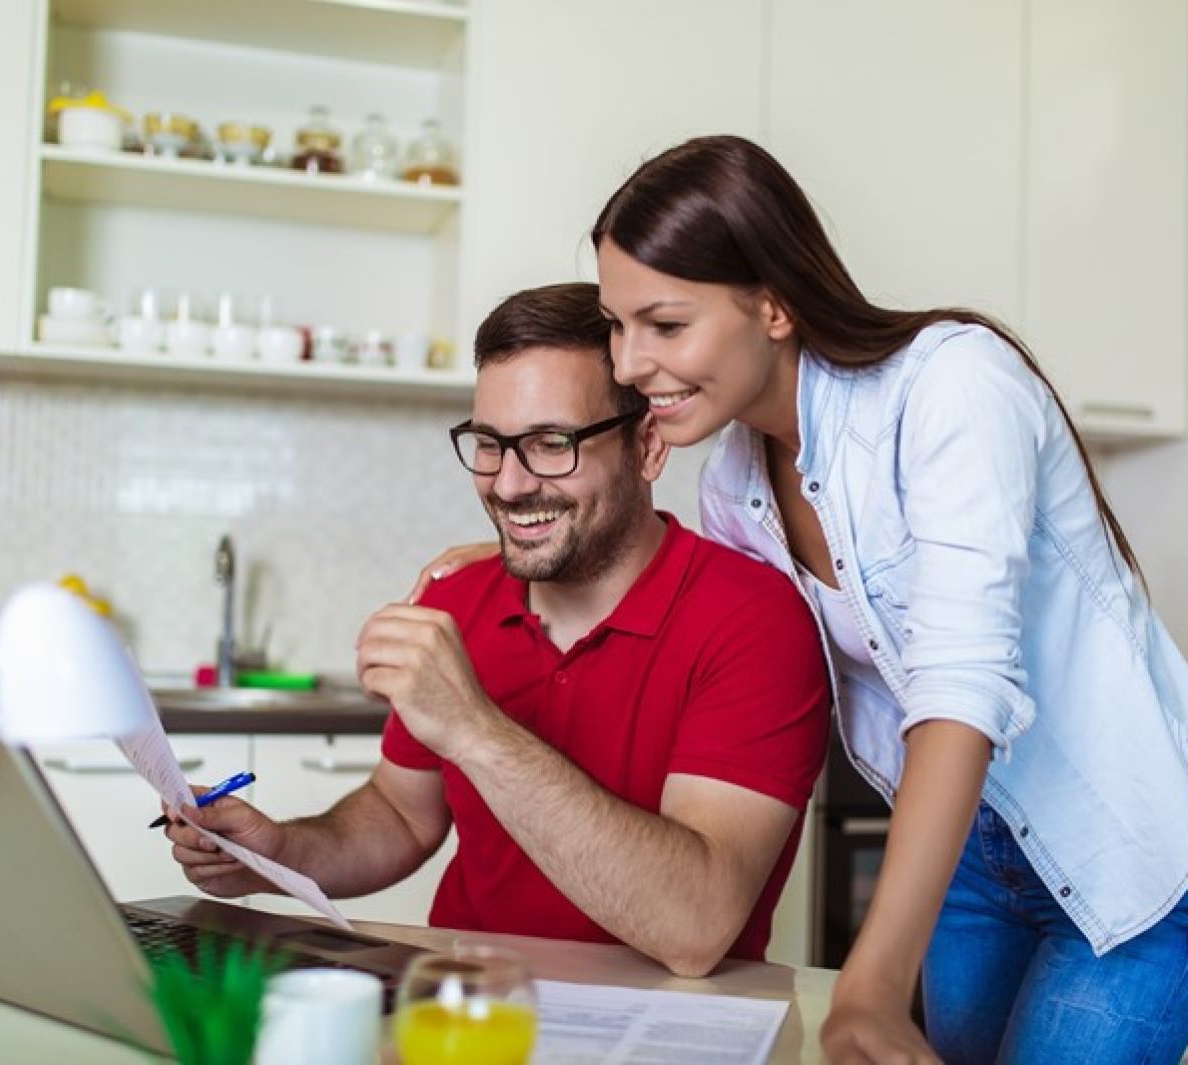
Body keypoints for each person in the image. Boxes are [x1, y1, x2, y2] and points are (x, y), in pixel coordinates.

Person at [412, 137, 1188, 1064]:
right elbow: (735, 614)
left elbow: (959, 685)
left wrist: (868, 981)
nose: (628, 364)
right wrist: (520, 539)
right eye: (618, 326)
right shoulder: (734, 482)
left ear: (772, 305)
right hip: (966, 859)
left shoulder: (952, 384)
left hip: (1128, 843)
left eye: (664, 324)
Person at [165, 281, 830, 976]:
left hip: (660, 1023)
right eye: (490, 443)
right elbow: (401, 812)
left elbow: (696, 926)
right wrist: (276, 852)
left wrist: (474, 728)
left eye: (550, 443)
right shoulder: (457, 599)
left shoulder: (754, 619)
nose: (509, 485)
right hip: (463, 1008)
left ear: (648, 447)